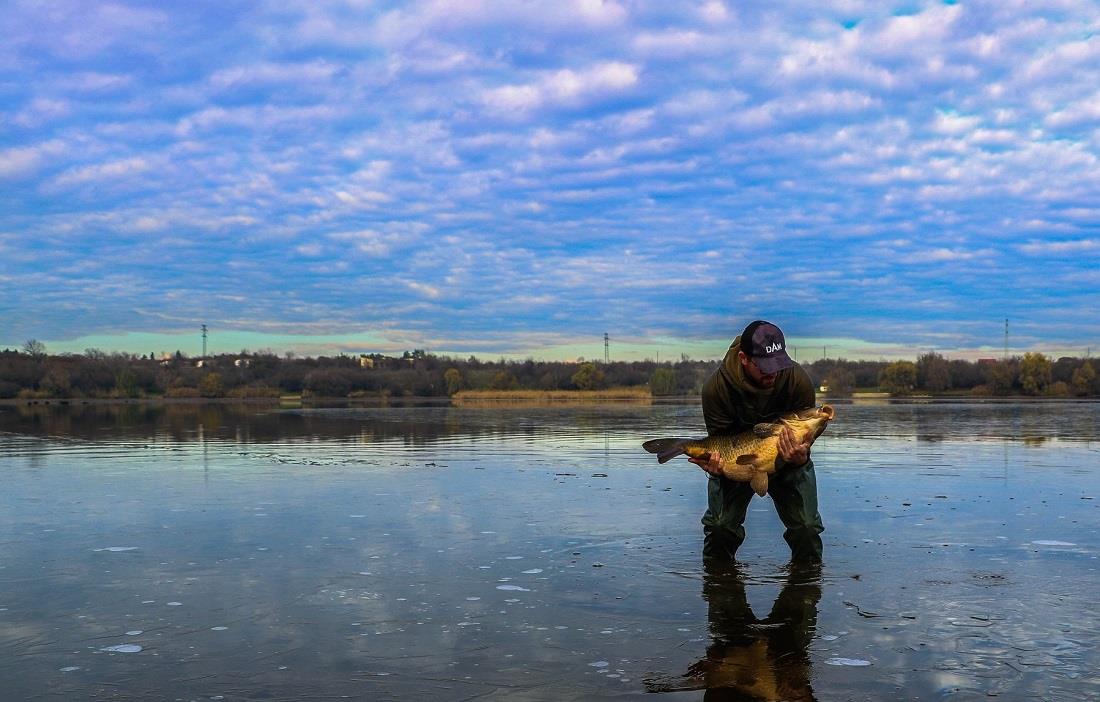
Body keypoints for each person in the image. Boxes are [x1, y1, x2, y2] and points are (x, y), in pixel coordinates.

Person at [688, 320, 824, 564]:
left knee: (807, 528)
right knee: (719, 528)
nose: (772, 373)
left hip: (787, 460)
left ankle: (805, 584)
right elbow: (719, 442)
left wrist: (801, 455)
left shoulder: (797, 381)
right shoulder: (716, 389)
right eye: (764, 367)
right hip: (739, 460)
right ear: (743, 358)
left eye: (777, 364)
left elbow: (809, 432)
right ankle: (720, 582)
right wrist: (716, 467)